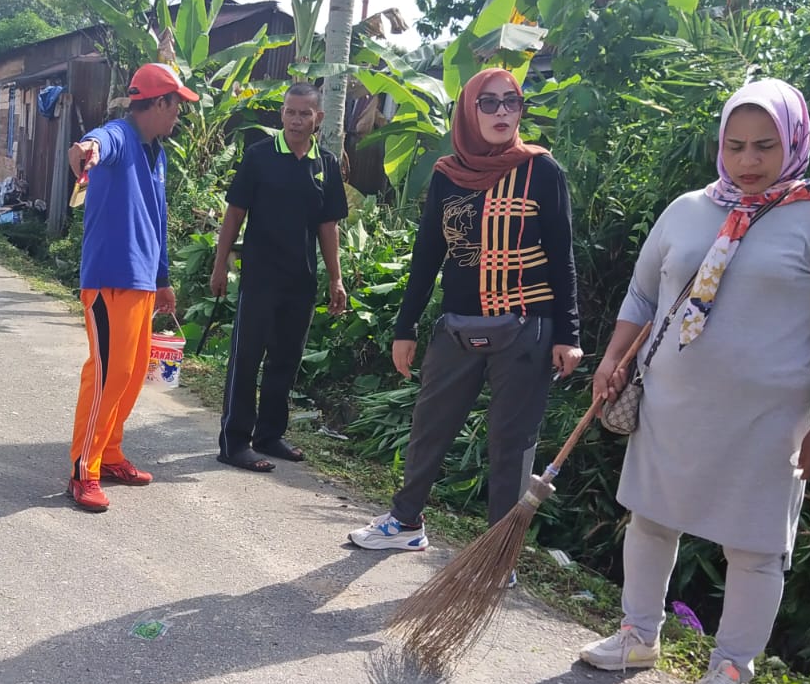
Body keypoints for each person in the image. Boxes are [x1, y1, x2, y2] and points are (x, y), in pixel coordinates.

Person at [581, 78, 810, 684]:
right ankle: (638, 635)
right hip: (674, 401)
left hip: (772, 419)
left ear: (794, 140)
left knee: (756, 546)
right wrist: (611, 360)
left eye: (765, 145)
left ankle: (730, 668)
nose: (748, 161)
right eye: (735, 145)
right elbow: (643, 296)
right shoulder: (687, 210)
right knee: (652, 517)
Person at [349, 66, 582, 551]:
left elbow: (563, 257)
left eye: (511, 102)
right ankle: (407, 523)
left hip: (527, 327)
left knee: (510, 443)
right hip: (457, 325)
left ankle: (498, 556)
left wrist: (569, 334)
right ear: (468, 110)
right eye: (489, 102)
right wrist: (405, 325)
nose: (501, 112)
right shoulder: (448, 174)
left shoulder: (542, 171)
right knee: (430, 424)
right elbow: (427, 254)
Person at [65, 62, 197, 513]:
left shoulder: (155, 154)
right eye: (175, 106)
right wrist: (85, 149)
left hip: (142, 282)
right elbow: (98, 141)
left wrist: (162, 281)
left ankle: (110, 454)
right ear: (157, 103)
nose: (177, 115)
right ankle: (85, 470)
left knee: (132, 372)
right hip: (108, 281)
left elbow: (156, 224)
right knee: (106, 374)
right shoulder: (120, 137)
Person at [211, 82, 349, 471]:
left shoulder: (325, 164)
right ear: (282, 113)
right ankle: (234, 442)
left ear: (318, 118)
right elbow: (234, 213)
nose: (296, 119)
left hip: (300, 279)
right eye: (290, 111)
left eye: (305, 113)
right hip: (260, 277)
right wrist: (220, 265)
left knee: (285, 360)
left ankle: (269, 435)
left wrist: (335, 278)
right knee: (246, 358)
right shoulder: (259, 157)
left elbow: (328, 225)